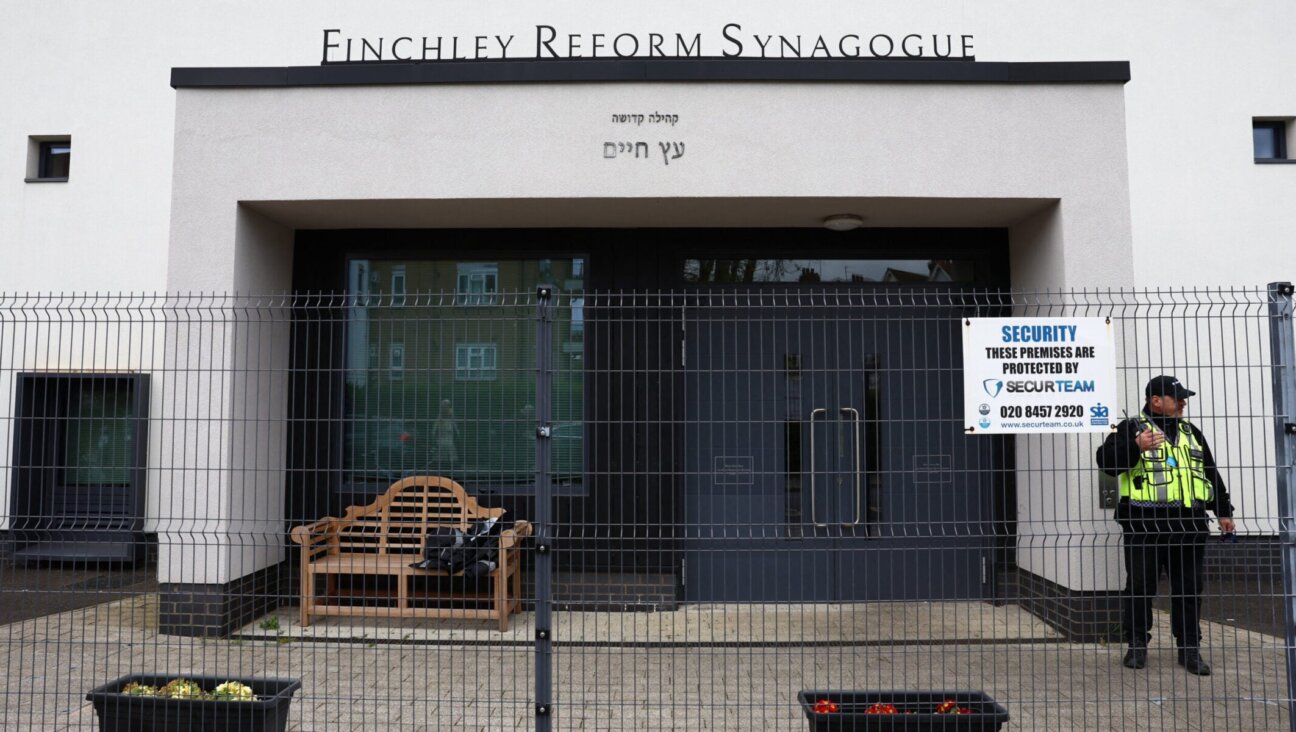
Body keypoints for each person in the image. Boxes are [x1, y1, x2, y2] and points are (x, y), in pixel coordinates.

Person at [1096, 375, 1235, 675]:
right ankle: (1137, 646)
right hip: (1143, 523)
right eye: (1178, 397)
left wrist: (1224, 510)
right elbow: (1106, 462)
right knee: (1139, 587)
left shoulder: (1190, 432)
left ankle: (1189, 649)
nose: (1183, 402)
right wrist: (1135, 446)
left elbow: (1209, 472)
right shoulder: (1131, 428)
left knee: (1188, 589)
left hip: (1188, 524)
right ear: (1155, 401)